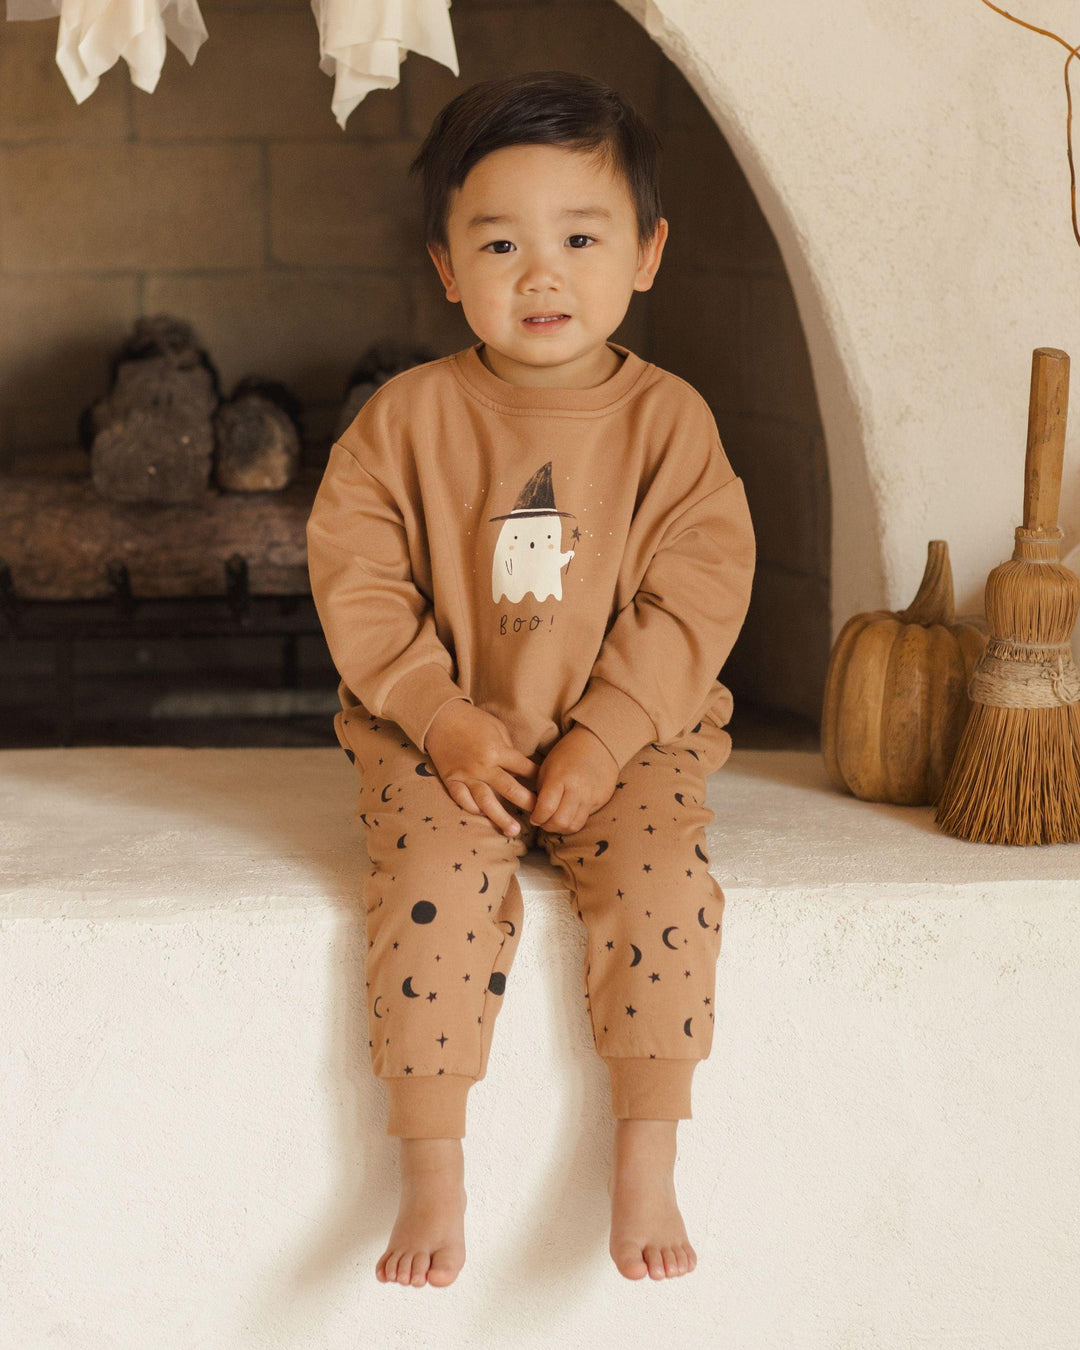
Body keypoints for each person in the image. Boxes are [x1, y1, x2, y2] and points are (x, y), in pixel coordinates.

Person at [306, 69, 756, 1288]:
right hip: (442, 739)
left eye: (579, 237)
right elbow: (358, 580)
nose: (541, 273)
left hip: (633, 739)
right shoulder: (403, 423)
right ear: (449, 268)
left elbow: (697, 597)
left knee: (665, 890)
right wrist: (439, 717)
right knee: (430, 891)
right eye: (501, 242)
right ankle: (431, 1171)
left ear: (648, 254)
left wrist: (607, 737)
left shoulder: (672, 427)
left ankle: (648, 1154)